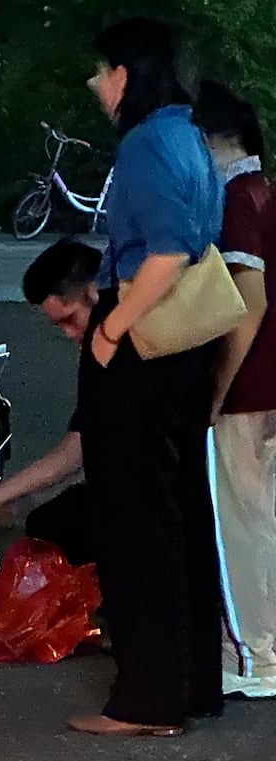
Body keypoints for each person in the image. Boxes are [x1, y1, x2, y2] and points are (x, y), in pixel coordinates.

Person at [71, 18, 224, 736]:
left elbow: (163, 253)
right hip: (187, 345)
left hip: (146, 345)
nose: (97, 85)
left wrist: (109, 327)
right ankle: (189, 685)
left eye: (103, 71)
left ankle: (147, 697)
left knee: (137, 520)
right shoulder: (190, 136)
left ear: (126, 75)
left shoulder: (146, 143)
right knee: (180, 511)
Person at [194, 81, 276, 699]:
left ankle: (251, 656)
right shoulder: (262, 193)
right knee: (263, 520)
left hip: (249, 388)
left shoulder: (236, 199)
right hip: (268, 385)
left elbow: (248, 302)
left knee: (242, 526)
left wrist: (215, 390)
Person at [0, 239, 98, 567]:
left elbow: (75, 452)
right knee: (51, 521)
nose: (68, 334)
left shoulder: (114, 352)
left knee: (59, 528)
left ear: (94, 291)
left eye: (71, 319)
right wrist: (14, 499)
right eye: (58, 324)